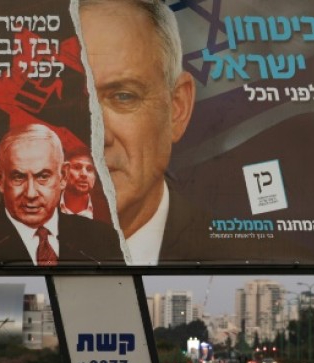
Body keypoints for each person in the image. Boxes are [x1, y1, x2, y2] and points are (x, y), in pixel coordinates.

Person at [79, 0, 214, 265]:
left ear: (177, 108)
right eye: (74, 100)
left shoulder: (272, 259)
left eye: (123, 96)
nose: (96, 137)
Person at [0, 123, 124, 266]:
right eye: (18, 177)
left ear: (63, 176)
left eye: (43, 176)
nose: (30, 194)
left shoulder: (103, 239)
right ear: (0, 179)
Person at [60, 148, 113, 224]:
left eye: (89, 169)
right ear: (64, 172)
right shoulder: (48, 205)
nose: (84, 174)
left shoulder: (108, 213)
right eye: (77, 167)